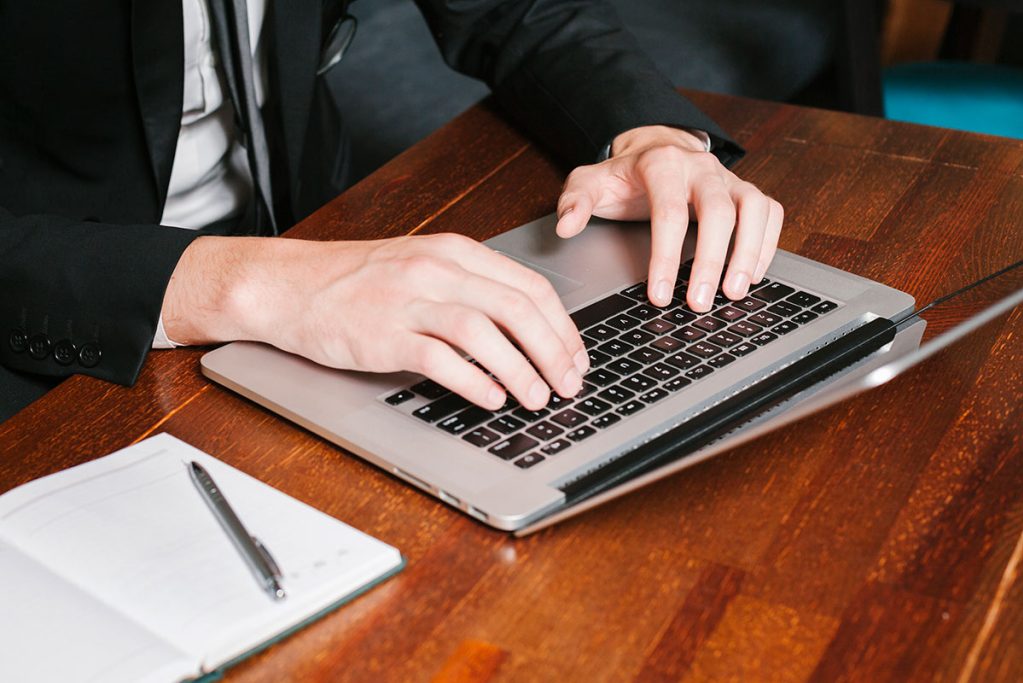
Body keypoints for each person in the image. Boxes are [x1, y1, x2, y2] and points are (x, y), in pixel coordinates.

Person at [0, 0, 782, 423]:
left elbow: (511, 11)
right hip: (57, 325)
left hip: (319, 235)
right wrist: (251, 283)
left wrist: (647, 133)